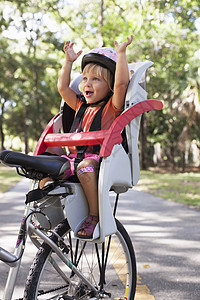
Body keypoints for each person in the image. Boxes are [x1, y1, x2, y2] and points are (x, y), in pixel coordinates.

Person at [41, 35, 133, 239]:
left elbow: (121, 85)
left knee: (85, 167)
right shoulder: (80, 106)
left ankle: (94, 215)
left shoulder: (112, 107)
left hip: (98, 161)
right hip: (74, 160)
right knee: (44, 168)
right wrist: (68, 62)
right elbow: (63, 88)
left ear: (109, 85)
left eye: (96, 79)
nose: (87, 84)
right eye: (85, 79)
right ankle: (50, 217)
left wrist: (122, 54)